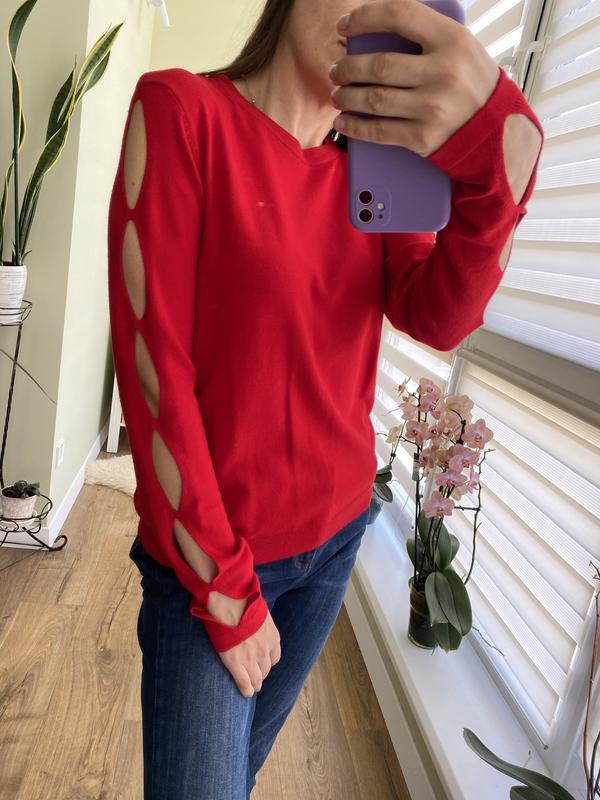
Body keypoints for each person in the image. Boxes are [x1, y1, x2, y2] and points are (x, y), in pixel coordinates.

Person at [106, 1, 544, 797]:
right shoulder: (182, 112)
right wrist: (226, 594)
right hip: (216, 565)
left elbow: (438, 317)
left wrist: (498, 157)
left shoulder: (383, 169)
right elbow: (153, 376)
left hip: (336, 538)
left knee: (235, 775)